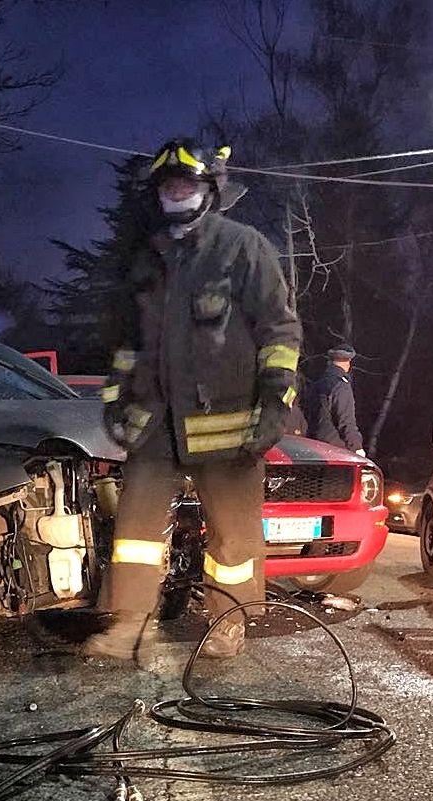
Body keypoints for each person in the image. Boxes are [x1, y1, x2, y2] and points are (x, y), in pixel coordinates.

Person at [87, 139, 302, 663]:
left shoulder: (242, 247)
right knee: (135, 532)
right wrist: (116, 399)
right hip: (156, 423)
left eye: (186, 182)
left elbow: (279, 329)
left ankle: (228, 622)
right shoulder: (148, 258)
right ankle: (130, 625)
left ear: (210, 189)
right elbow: (127, 342)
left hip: (229, 422)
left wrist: (276, 402)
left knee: (233, 536)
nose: (177, 191)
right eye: (169, 184)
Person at [304, 344, 364, 456]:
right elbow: (345, 420)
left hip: (313, 444)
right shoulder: (341, 386)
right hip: (335, 448)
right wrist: (356, 447)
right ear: (348, 362)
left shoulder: (318, 383)